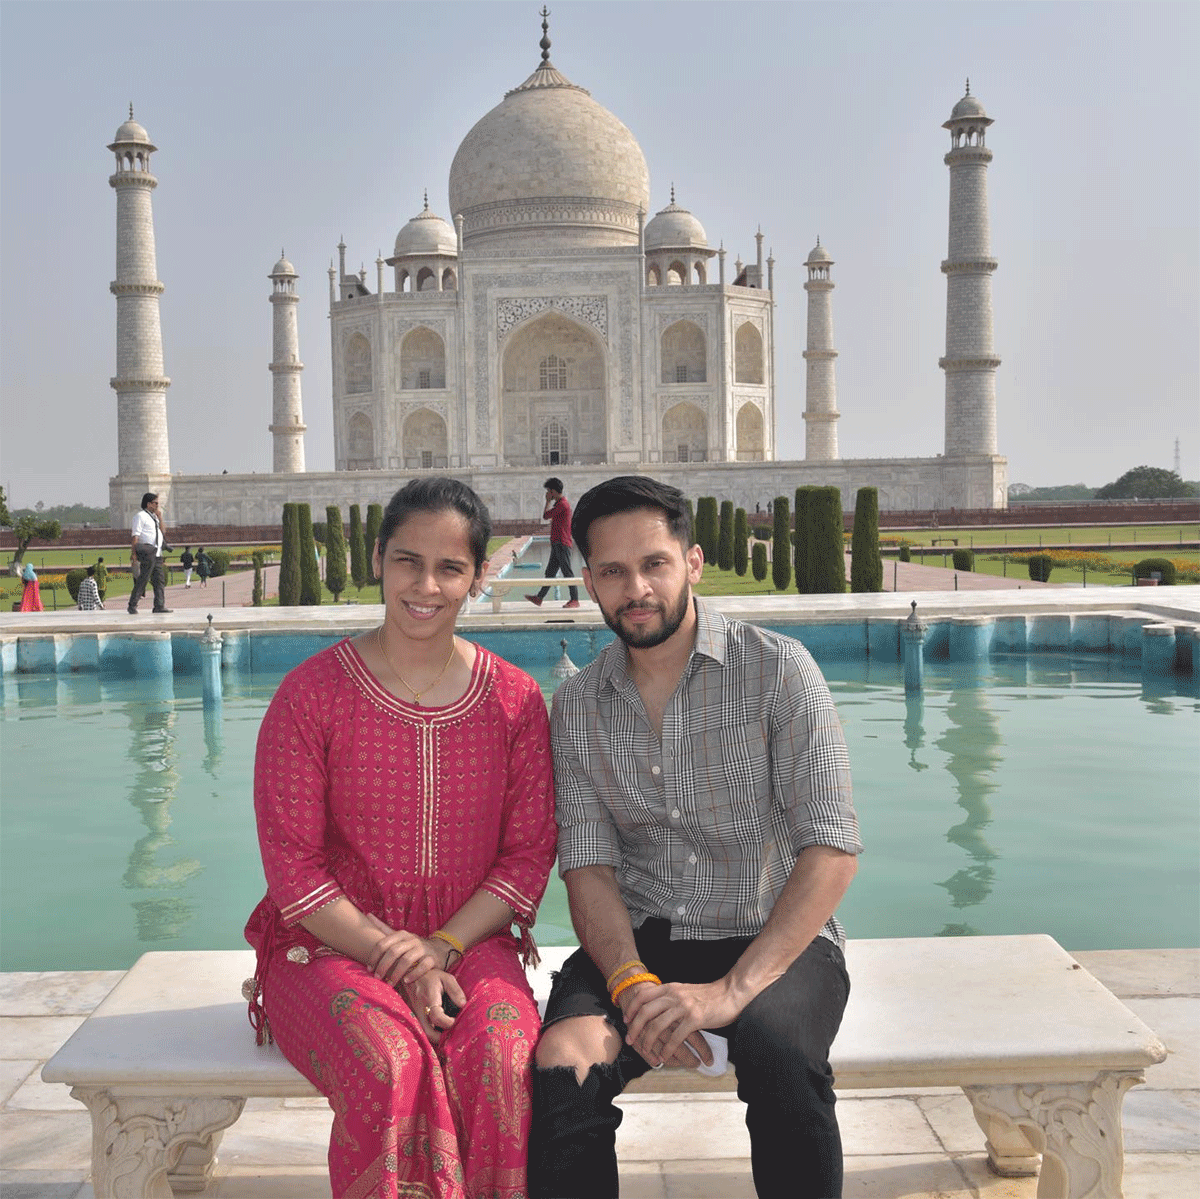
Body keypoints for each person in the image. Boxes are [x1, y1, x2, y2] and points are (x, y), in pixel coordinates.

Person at [529, 476, 862, 1199]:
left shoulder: (777, 670)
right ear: (588, 581)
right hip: (644, 938)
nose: (636, 588)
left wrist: (727, 993)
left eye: (654, 563)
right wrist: (630, 982)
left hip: (773, 936)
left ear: (694, 562)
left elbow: (831, 847)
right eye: (613, 572)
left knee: (779, 1051)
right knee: (565, 1062)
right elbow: (588, 867)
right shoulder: (579, 704)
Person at [244, 477, 558, 1199]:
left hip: (469, 939)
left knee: (505, 1055)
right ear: (378, 558)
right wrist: (400, 957)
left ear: (480, 575)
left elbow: (527, 856)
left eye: (450, 567)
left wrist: (438, 947)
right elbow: (294, 871)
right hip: (326, 942)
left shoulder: (513, 700)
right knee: (388, 1057)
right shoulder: (311, 694)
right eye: (408, 561)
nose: (426, 585)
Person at [526, 477, 580, 609]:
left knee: (567, 572)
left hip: (562, 542)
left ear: (553, 491)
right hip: (557, 543)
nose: (547, 494)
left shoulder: (562, 505)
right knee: (550, 573)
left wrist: (547, 502)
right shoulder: (560, 504)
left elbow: (545, 516)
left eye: (549, 491)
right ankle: (539, 598)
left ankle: (575, 600)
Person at [128, 492, 171, 614]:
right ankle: (132, 605)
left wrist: (160, 517)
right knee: (143, 579)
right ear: (148, 504)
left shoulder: (154, 517)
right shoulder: (140, 516)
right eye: (155, 503)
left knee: (159, 580)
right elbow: (135, 536)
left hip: (156, 553)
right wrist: (134, 554)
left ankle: (159, 605)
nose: (157, 505)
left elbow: (163, 532)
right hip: (147, 552)